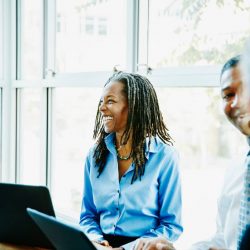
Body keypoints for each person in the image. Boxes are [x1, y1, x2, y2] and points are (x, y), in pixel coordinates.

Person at [135, 55, 250, 250]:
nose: (238, 102)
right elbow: (223, 243)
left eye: (247, 89)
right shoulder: (237, 170)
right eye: (228, 94)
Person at [79, 72, 183, 250]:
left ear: (134, 107)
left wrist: (127, 249)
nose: (102, 108)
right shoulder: (94, 156)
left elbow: (171, 225)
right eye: (101, 102)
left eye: (110, 101)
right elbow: (88, 216)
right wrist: (96, 239)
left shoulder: (165, 157)